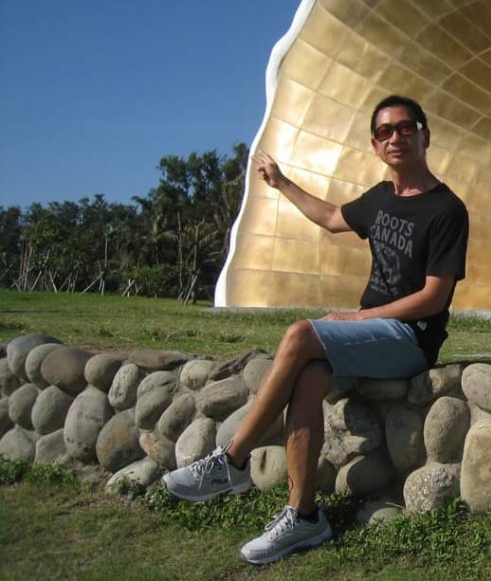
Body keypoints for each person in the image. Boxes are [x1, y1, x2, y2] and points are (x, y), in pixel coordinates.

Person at [162, 95, 469, 565]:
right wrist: (282, 182)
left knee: (301, 335)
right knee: (308, 376)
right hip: (374, 335)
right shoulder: (380, 199)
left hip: (411, 339)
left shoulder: (447, 209)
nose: (397, 137)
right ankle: (304, 516)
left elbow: (434, 297)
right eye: (386, 131)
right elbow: (330, 218)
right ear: (374, 144)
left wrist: (358, 318)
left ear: (425, 135)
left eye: (407, 128)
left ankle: (233, 461)